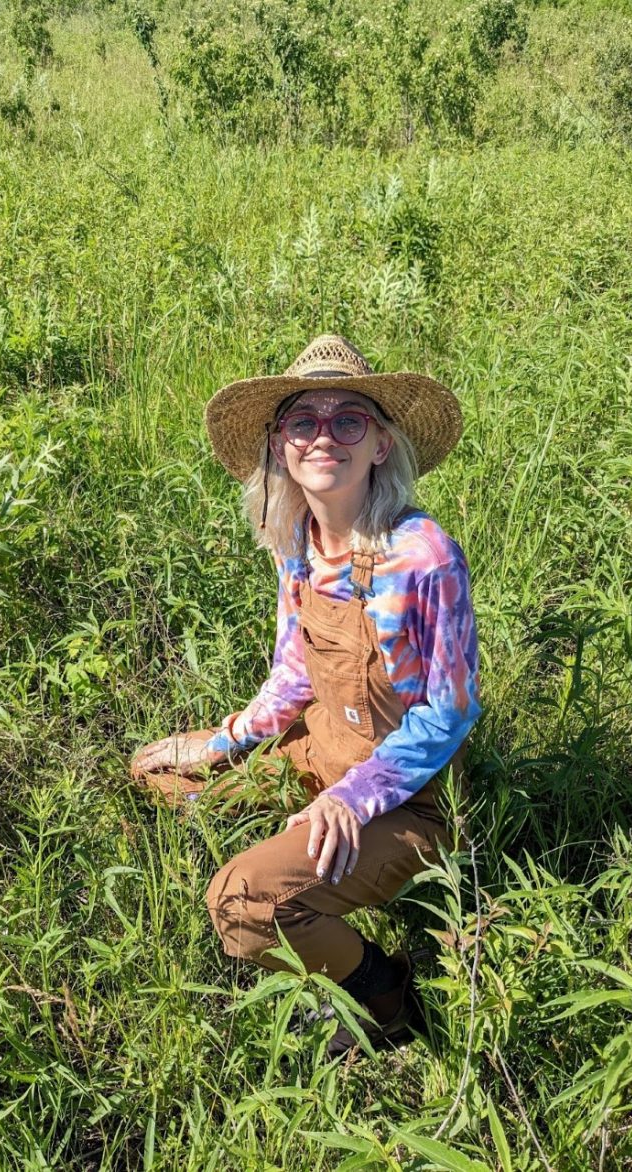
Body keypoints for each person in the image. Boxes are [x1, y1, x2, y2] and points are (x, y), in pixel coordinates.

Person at [132, 333, 481, 1057]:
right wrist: (223, 741)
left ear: (381, 444)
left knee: (239, 904)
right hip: (312, 754)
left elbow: (450, 710)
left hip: (403, 801)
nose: (325, 436)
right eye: (304, 421)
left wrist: (349, 800)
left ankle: (385, 996)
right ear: (280, 445)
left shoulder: (424, 556)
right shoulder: (299, 543)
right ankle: (292, 866)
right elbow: (295, 671)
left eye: (348, 419)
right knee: (154, 771)